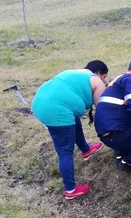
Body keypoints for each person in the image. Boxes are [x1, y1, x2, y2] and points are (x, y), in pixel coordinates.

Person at [31, 61, 108, 199]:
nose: (104, 81)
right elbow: (102, 109)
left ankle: (86, 150)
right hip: (55, 110)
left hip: (40, 102)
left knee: (72, 119)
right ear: (100, 74)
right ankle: (71, 190)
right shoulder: (97, 81)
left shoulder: (75, 73)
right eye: (104, 77)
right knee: (65, 150)